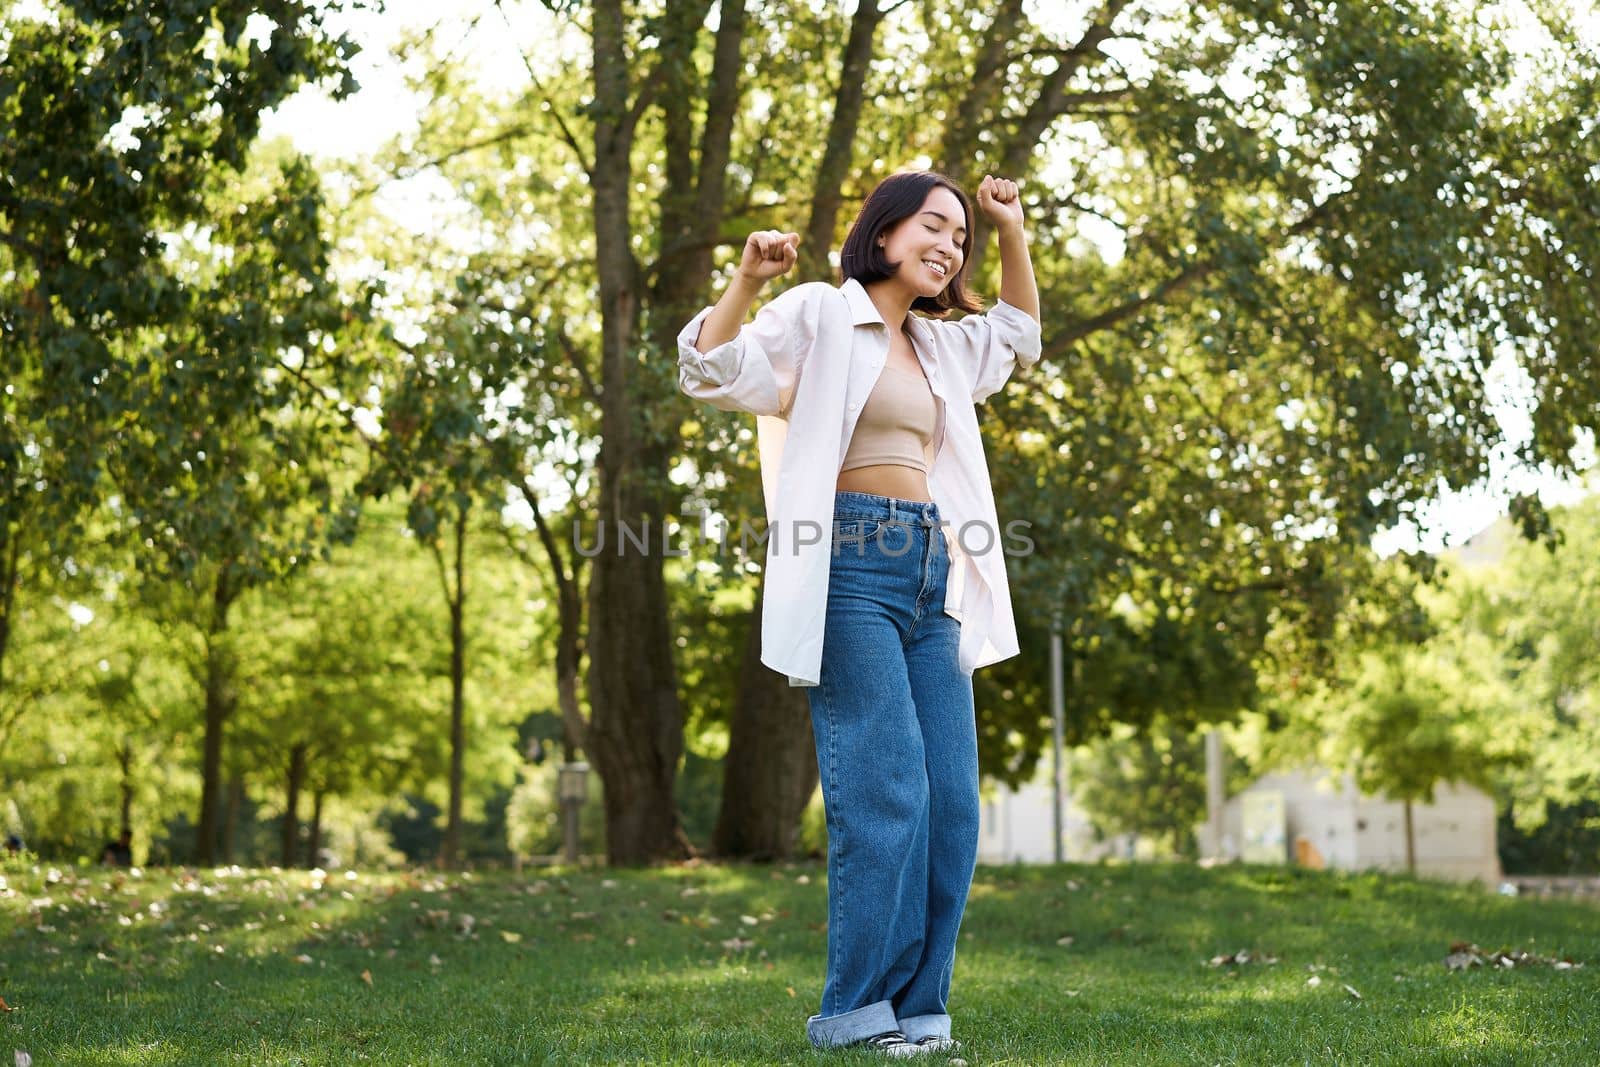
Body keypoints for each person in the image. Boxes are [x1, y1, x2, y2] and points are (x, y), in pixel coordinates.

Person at [677, 170, 1041, 1057]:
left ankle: (922, 1007)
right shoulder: (819, 316)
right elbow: (710, 369)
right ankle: (853, 1008)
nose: (950, 244)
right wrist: (746, 281)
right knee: (885, 787)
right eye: (935, 225)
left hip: (932, 568)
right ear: (883, 235)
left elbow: (1020, 334)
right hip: (849, 562)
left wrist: (1011, 228)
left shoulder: (945, 347)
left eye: (959, 235)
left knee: (951, 800)